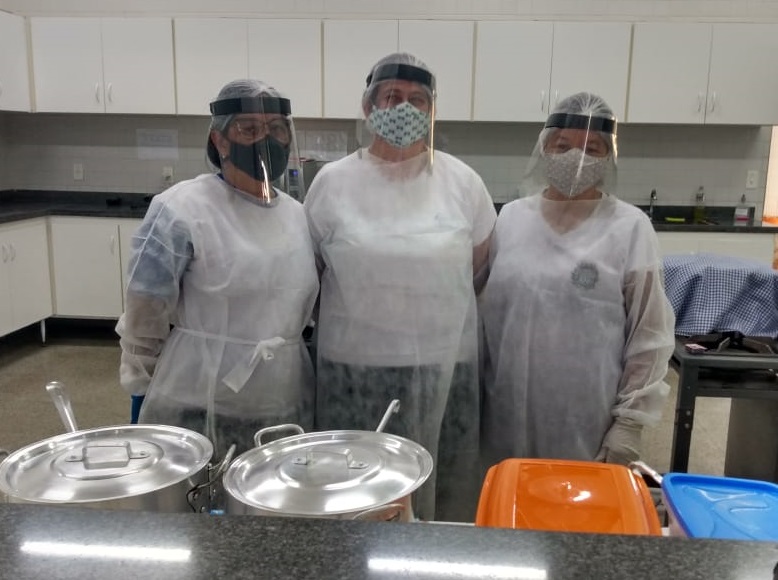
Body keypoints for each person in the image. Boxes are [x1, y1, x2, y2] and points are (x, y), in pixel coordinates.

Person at [304, 53, 496, 522]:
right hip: (354, 371)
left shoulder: (463, 183)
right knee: (355, 497)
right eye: (392, 97)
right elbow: (312, 273)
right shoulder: (332, 182)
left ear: (432, 110)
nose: (405, 108)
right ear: (368, 107)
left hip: (444, 371)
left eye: (418, 99)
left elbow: (477, 270)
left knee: (441, 492)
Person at [116, 79, 319, 461]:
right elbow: (145, 311)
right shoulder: (182, 209)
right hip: (199, 401)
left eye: (277, 128)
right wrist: (139, 386)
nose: (266, 140)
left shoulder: (297, 216)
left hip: (282, 401)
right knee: (205, 496)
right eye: (249, 129)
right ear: (219, 140)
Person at [480, 92, 675, 468]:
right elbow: (489, 317)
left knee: (575, 502)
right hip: (505, 408)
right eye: (563, 145)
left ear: (608, 157)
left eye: (592, 148)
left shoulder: (629, 227)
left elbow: (649, 335)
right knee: (512, 497)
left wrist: (630, 422)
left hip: (586, 417)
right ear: (545, 147)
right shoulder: (511, 219)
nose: (576, 156)